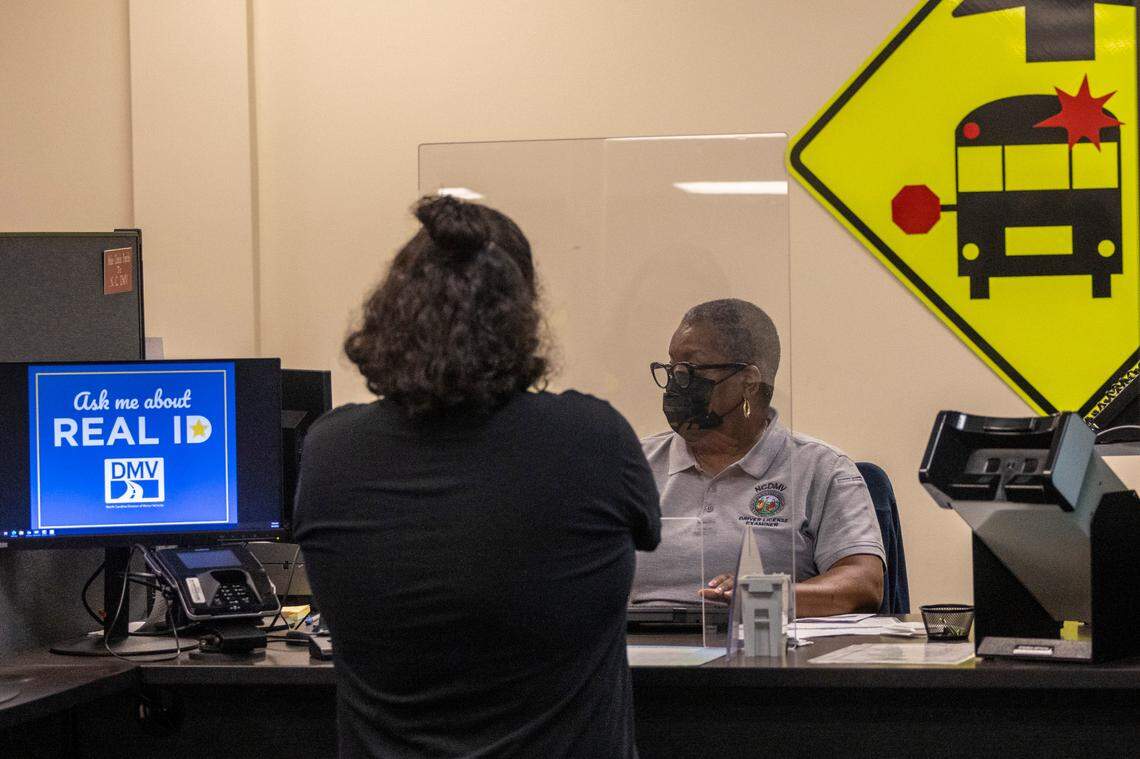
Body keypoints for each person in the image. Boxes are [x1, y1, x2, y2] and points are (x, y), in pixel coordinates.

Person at [293, 196, 661, 758]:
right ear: (524, 316)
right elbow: (646, 532)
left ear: (393, 311)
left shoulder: (331, 449)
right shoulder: (594, 438)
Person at [630, 298, 884, 617]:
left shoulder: (821, 468)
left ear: (749, 381)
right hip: (641, 655)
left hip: (761, 649)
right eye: (672, 368)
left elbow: (864, 584)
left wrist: (767, 594)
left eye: (690, 369)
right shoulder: (635, 464)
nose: (675, 382)